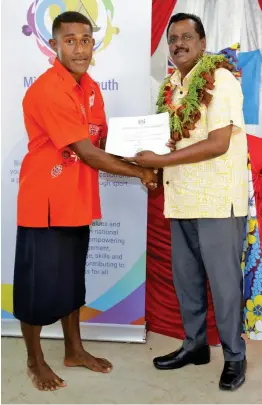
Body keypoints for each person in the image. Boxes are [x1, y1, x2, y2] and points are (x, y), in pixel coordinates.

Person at [13, 11, 157, 391]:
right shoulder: (49, 89)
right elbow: (87, 152)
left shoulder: (90, 87)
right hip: (44, 204)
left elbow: (103, 142)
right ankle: (34, 359)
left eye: (86, 39)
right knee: (37, 289)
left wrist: (145, 153)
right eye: (70, 40)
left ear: (94, 44)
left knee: (73, 283)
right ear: (54, 45)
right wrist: (141, 172)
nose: (79, 47)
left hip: (78, 200)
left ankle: (74, 349)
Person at [128, 13, 248, 391]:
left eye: (186, 37)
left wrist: (158, 162)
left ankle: (234, 356)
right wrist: (151, 171)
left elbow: (218, 143)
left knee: (224, 284)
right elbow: (170, 142)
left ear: (202, 41)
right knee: (187, 281)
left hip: (216, 200)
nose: (178, 43)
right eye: (173, 38)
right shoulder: (170, 88)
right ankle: (195, 346)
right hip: (180, 200)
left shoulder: (221, 79)